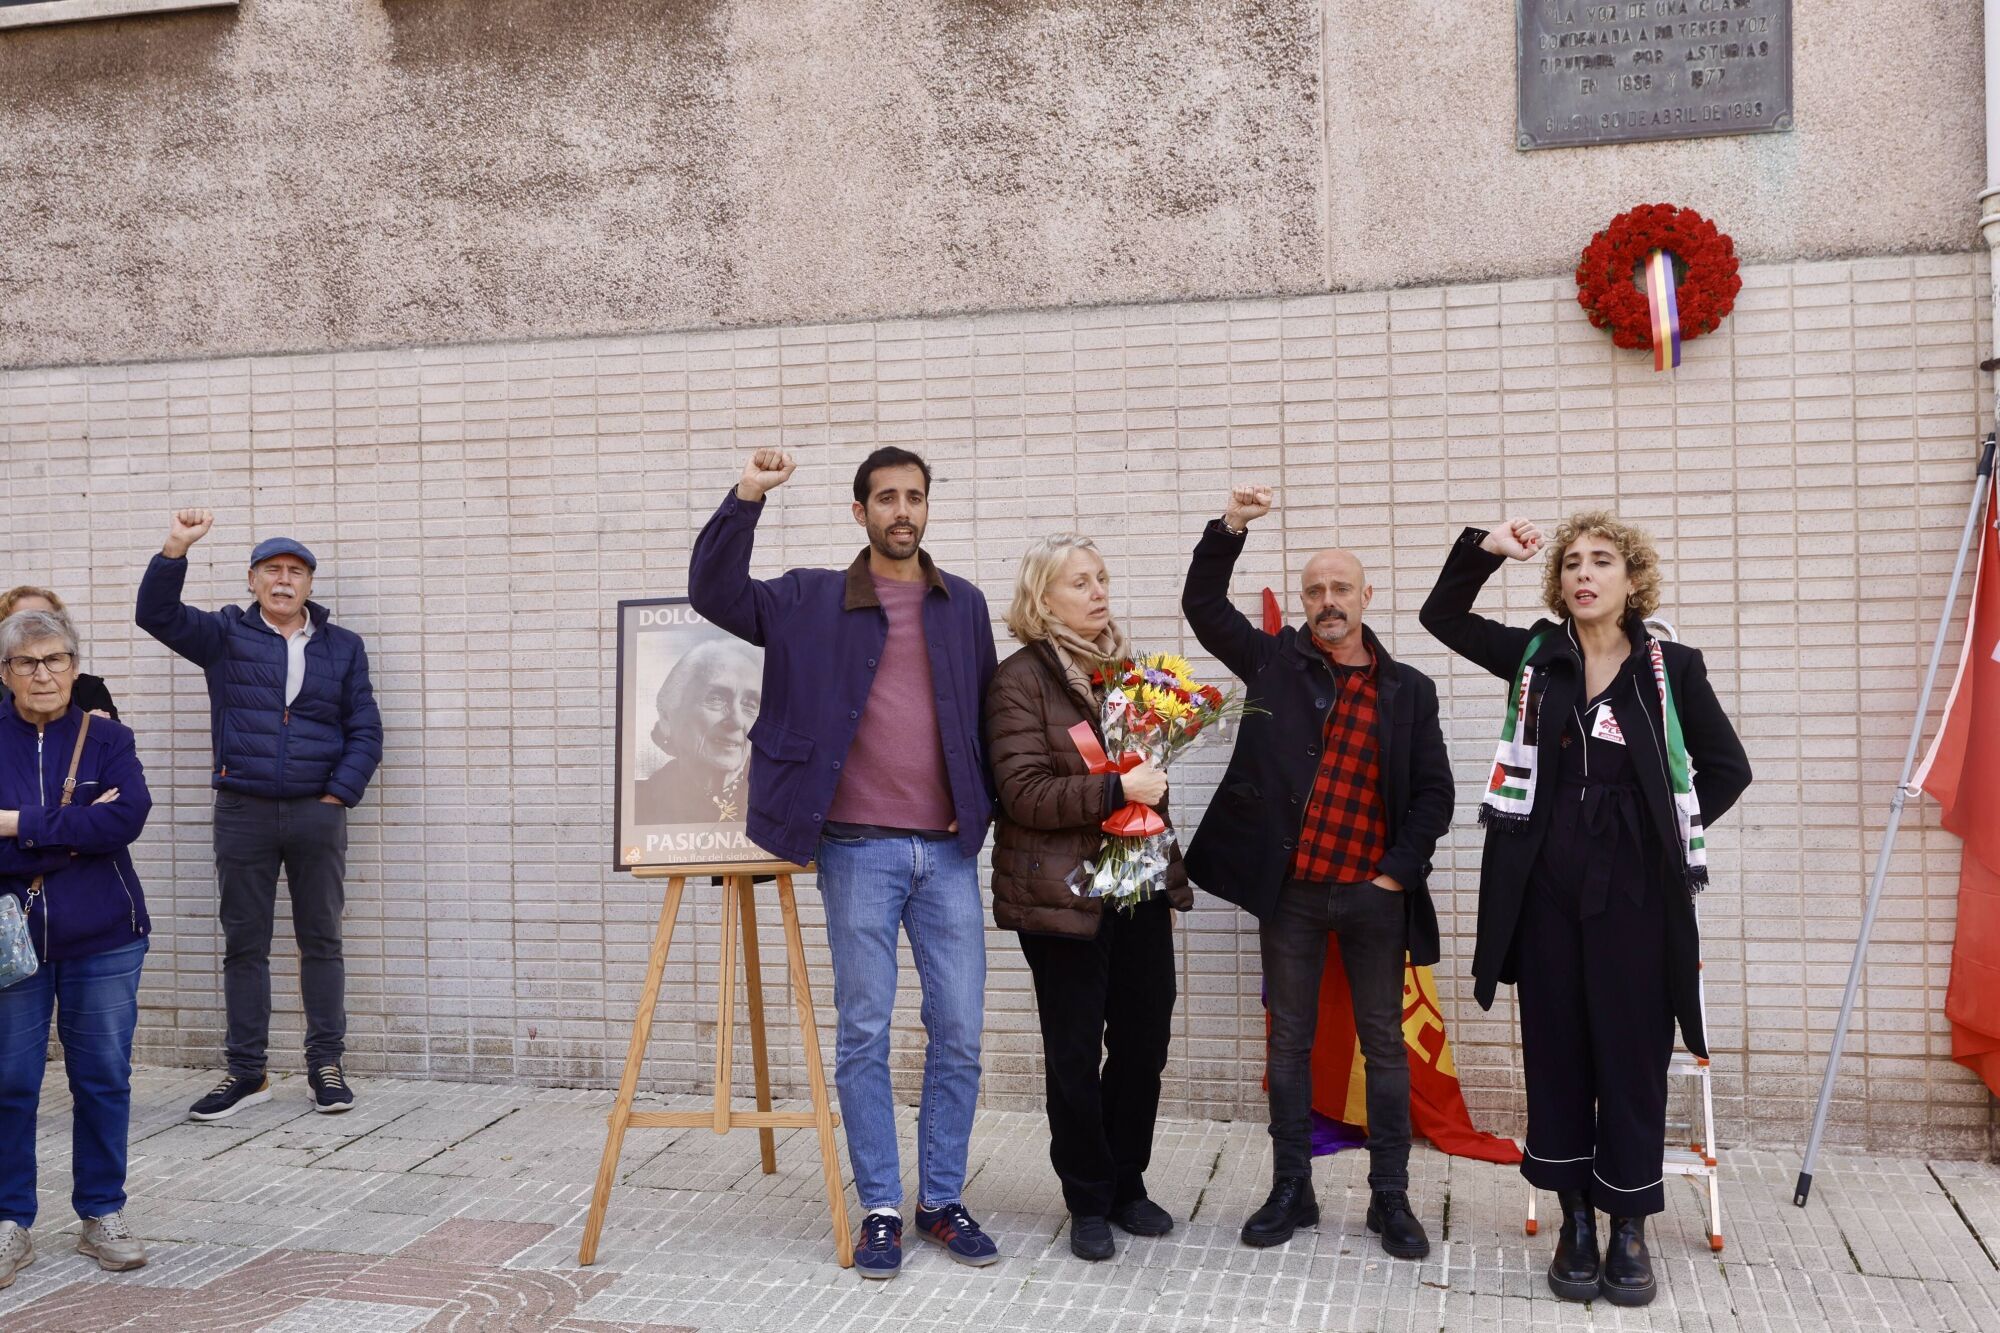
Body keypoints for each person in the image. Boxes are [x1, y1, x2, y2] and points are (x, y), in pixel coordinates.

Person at [1420, 514, 1751, 1307]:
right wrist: (1483, 549)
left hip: (1636, 895)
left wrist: (1659, 829)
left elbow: (1727, 768)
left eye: (1602, 561)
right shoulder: (1538, 656)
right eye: (1571, 563)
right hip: (1545, 891)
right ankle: (1574, 1219)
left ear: (1632, 580)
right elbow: (1443, 617)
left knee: (1632, 1058)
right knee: (1559, 1052)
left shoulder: (1670, 667)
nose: (1583, 573)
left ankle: (1628, 1224)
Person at [689, 446, 1000, 1281]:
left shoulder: (961, 604)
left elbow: (984, 716)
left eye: (916, 497)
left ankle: (941, 1197)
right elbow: (714, 592)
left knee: (961, 1030)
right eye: (887, 498)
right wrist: (747, 495)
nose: (903, 510)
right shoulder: (807, 598)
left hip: (947, 852)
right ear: (858, 511)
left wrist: (990, 811)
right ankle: (883, 1207)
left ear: (928, 508)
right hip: (856, 849)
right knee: (864, 1031)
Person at [1181, 485, 1454, 1261]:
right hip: (1292, 896)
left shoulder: (1409, 690)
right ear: (1302, 601)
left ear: (1367, 596)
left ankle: (1391, 1198)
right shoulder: (1274, 660)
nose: (1327, 601)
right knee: (1289, 1044)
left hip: (1375, 895)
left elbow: (1434, 791)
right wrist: (1229, 526)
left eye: (1341, 589)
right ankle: (1291, 1188)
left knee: (1387, 1046)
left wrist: (1397, 875)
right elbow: (1204, 603)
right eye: (1314, 591)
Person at [136, 511, 383, 1122]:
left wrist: (337, 796)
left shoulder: (343, 646)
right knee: (244, 944)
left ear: (309, 585)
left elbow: (366, 730)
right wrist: (175, 548)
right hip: (242, 808)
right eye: (271, 570)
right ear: (251, 581)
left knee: (321, 940)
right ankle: (247, 1072)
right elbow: (155, 615)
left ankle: (326, 1065)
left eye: (295, 572)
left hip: (315, 813)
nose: (283, 580)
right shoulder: (225, 635)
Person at [984, 535, 1184, 1263]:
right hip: (1061, 896)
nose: (1098, 591)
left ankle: (1128, 1181)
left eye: (1102, 577)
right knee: (1074, 1051)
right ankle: (1088, 1197)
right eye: (1079, 582)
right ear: (1043, 600)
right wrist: (1113, 790)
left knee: (1144, 1040)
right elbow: (1023, 792)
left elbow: (1147, 774)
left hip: (1136, 884)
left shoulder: (1129, 674)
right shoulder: (1019, 681)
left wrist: (1148, 786)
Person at [0, 609, 153, 1284]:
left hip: (104, 933)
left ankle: (101, 1210)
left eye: (56, 659)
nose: (44, 673)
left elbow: (127, 816)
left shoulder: (108, 736)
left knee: (102, 1077)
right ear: (5, 673)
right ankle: (10, 1220)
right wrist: (75, 830)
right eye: (28, 662)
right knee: (10, 1081)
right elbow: (99, 824)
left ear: (74, 665)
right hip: (11, 936)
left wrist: (16, 826)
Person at [633, 638, 761, 825]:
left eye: (749, 705)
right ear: (668, 716)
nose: (736, 721)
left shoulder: (777, 802)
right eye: (716, 698)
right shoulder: (639, 804)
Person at [0, 587, 117, 719]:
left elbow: (110, 734)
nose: (39, 627)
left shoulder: (89, 689)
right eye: (22, 621)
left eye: (47, 618)